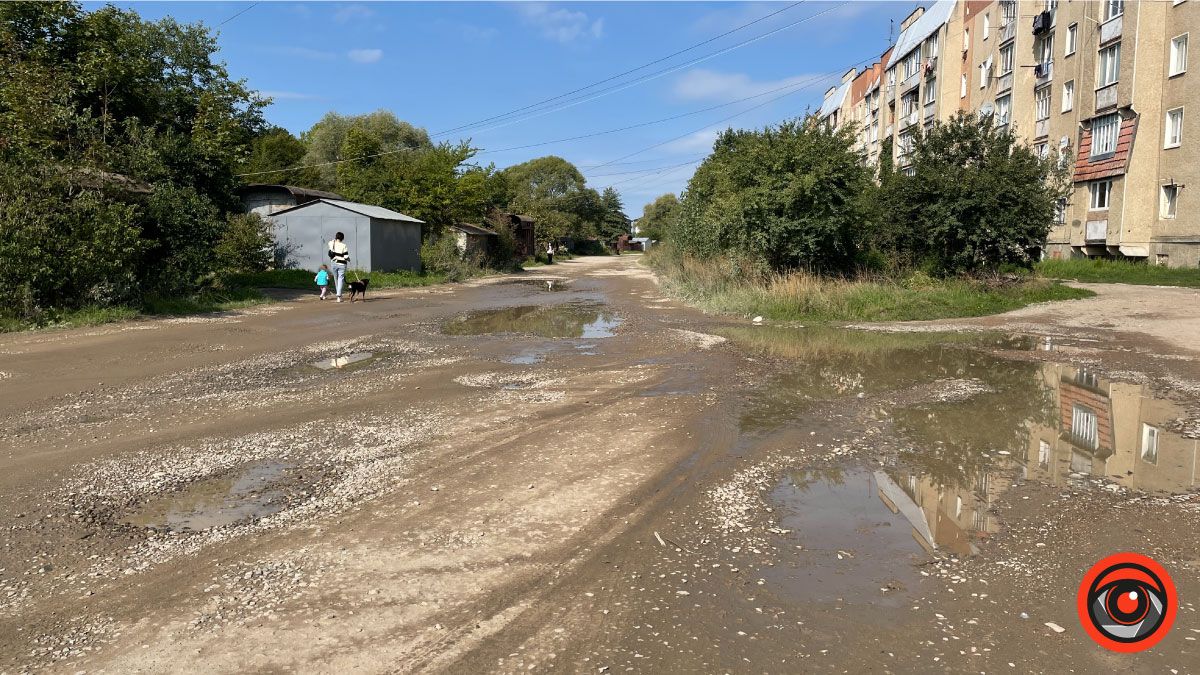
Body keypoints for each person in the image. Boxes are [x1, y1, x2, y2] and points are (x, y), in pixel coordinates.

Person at [328, 232, 349, 302]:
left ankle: (339, 297)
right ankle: (339, 294)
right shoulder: (344, 245)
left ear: (336, 237)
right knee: (341, 279)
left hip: (334, 263)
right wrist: (348, 259)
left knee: (336, 279)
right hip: (342, 264)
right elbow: (346, 256)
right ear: (342, 238)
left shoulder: (331, 243)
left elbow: (330, 242)